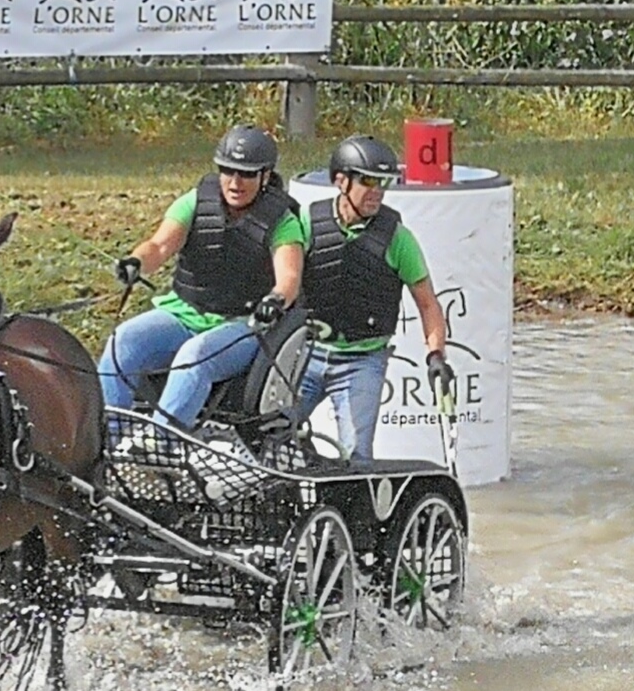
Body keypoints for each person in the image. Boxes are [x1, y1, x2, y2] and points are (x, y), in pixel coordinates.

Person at [98, 124, 305, 435]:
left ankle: (160, 446)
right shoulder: (194, 203)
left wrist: (275, 300)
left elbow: (288, 277)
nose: (235, 182)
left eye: (247, 174)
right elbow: (160, 246)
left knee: (194, 357)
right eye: (228, 170)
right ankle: (106, 441)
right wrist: (136, 262)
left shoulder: (284, 223)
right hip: (184, 313)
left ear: (265, 175)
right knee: (123, 342)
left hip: (243, 326)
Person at [295, 133, 453, 463]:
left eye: (384, 182)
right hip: (305, 355)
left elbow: (428, 304)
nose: (377, 191)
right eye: (367, 181)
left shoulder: (398, 239)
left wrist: (436, 355)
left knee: (357, 456)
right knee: (267, 435)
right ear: (341, 181)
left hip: (361, 361)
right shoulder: (308, 223)